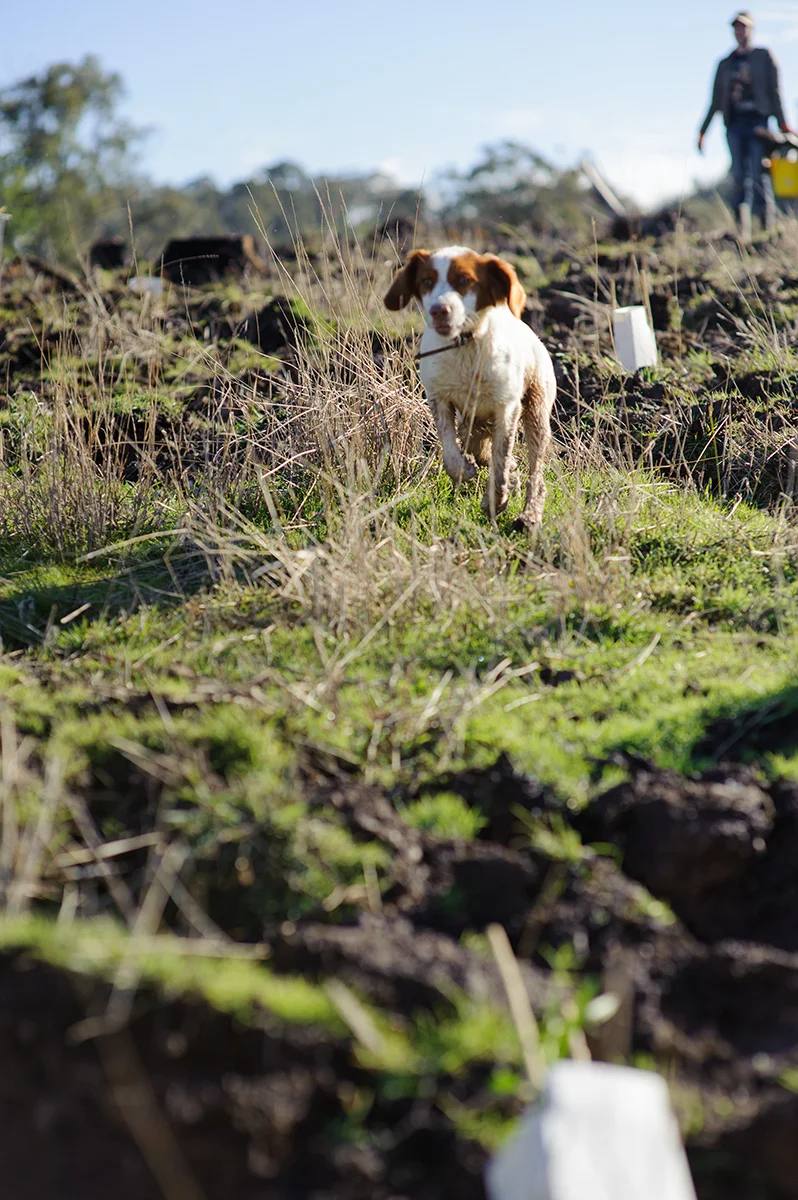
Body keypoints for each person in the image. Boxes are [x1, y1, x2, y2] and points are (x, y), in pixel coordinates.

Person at [698, 11, 792, 232]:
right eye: (736, 28)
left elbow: (775, 92)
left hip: (759, 124)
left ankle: (766, 228)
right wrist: (703, 131)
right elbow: (715, 100)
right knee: (739, 176)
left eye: (744, 27)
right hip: (734, 125)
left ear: (752, 29)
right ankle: (742, 230)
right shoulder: (725, 64)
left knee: (760, 174)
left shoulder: (764, 57)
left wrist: (783, 124)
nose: (740, 32)